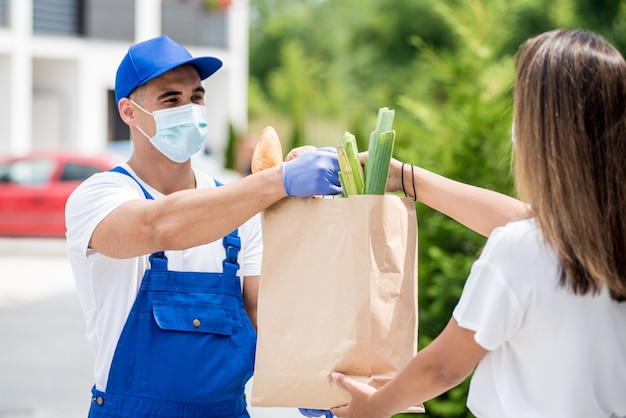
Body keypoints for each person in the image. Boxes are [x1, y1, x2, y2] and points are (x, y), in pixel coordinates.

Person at [330, 29, 626, 418]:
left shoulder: (522, 249)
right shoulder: (603, 239)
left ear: (546, 130)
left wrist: (373, 407)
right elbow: (536, 225)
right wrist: (407, 178)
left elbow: (443, 368)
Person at [65, 35, 342, 418]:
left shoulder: (238, 204)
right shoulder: (101, 195)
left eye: (196, 97)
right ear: (128, 112)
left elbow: (263, 309)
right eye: (171, 100)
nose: (189, 109)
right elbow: (157, 226)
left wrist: (310, 384)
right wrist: (277, 181)